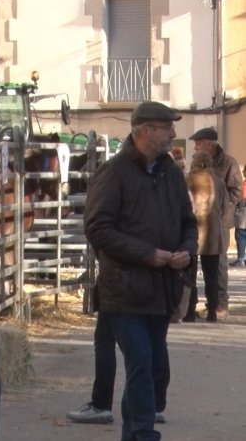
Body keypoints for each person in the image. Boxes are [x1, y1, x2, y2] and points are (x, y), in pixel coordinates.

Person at [84, 101, 197, 441]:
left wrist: (186, 252)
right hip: (124, 289)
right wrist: (148, 254)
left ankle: (134, 432)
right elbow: (98, 228)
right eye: (167, 128)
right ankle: (143, 434)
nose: (174, 134)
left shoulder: (170, 173)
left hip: (162, 288)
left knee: (152, 367)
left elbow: (188, 222)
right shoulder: (114, 172)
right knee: (142, 365)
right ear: (144, 131)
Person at [189, 127, 243, 319]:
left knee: (218, 266)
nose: (195, 147)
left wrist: (219, 211)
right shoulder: (200, 165)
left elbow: (235, 191)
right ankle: (199, 306)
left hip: (219, 223)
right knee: (196, 264)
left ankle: (220, 305)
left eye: (199, 143)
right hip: (198, 225)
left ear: (209, 144)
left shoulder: (228, 163)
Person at [183, 151, 228, 322]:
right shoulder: (219, 181)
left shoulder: (189, 179)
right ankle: (212, 311)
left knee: (190, 274)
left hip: (193, 231)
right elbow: (225, 207)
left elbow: (184, 204)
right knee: (212, 275)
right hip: (213, 233)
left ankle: (189, 310)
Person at [232, 164, 246, 267]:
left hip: (243, 214)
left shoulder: (244, 185)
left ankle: (241, 259)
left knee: (240, 236)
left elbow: (241, 197)